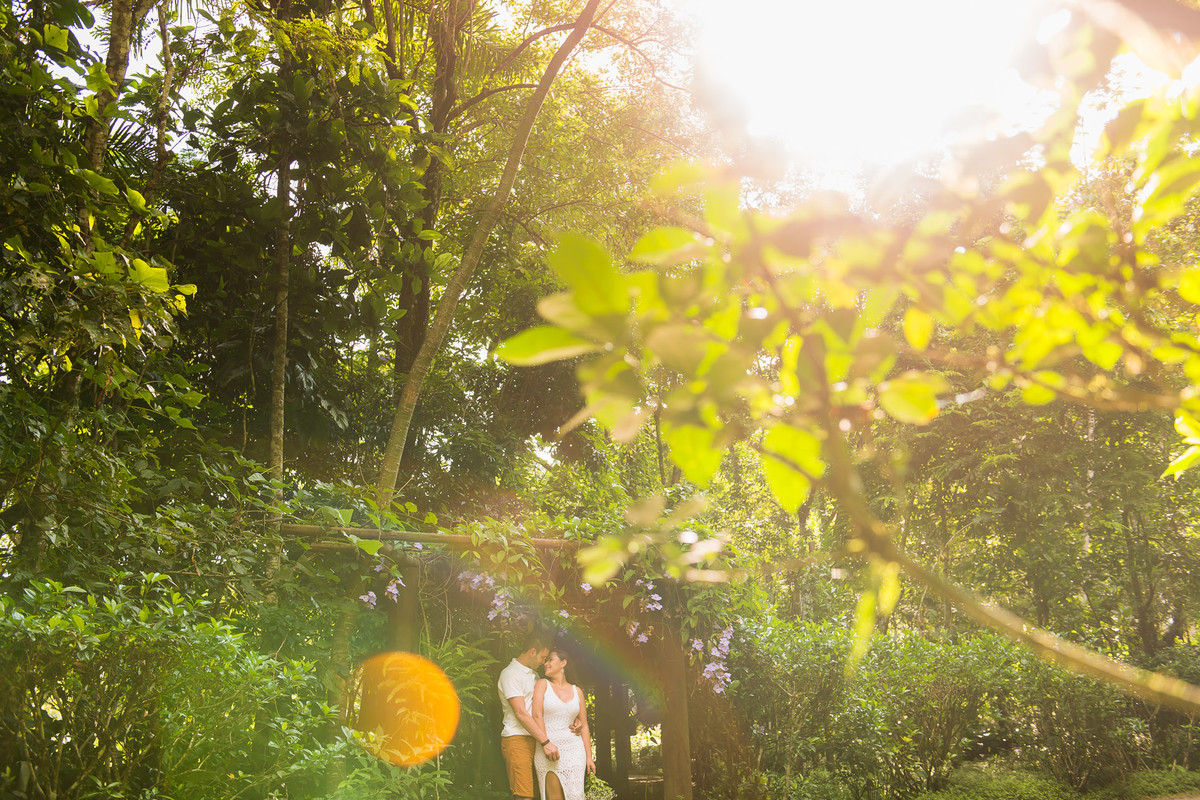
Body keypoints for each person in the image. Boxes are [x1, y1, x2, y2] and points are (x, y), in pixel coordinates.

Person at [532, 647, 595, 800]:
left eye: (550, 660)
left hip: (574, 750)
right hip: (549, 750)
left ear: (563, 663)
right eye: (545, 660)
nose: (546, 663)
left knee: (576, 796)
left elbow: (584, 725)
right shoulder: (542, 684)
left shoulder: (577, 691)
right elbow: (536, 715)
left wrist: (589, 757)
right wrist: (545, 743)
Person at [498, 634, 556, 800]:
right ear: (532, 652)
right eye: (543, 657)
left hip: (536, 739)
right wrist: (545, 741)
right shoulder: (510, 674)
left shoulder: (534, 676)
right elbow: (521, 713)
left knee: (543, 793)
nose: (544, 662)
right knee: (524, 796)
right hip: (517, 739)